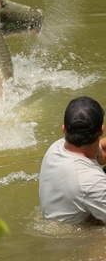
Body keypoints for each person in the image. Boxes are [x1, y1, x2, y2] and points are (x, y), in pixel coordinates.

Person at [39, 96, 106, 224]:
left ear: (64, 129)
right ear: (101, 130)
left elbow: (102, 152)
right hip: (82, 241)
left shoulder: (56, 147)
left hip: (58, 230)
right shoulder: (91, 182)